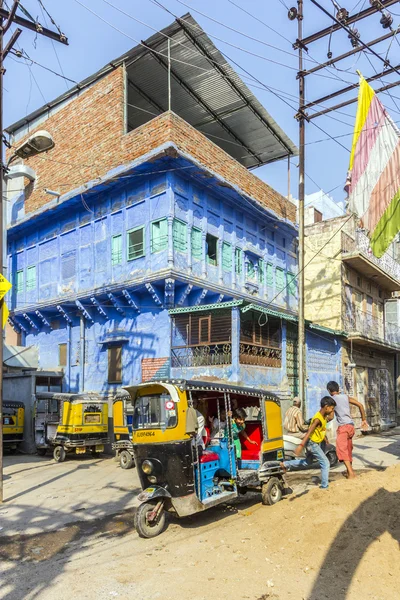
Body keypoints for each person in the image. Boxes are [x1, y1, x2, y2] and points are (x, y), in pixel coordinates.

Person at [281, 396, 337, 490]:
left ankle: (286, 464)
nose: (332, 411)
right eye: (331, 408)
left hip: (315, 443)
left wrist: (333, 408)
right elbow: (309, 432)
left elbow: (331, 418)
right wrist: (301, 446)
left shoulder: (323, 416)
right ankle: (324, 486)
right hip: (312, 444)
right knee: (325, 463)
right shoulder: (317, 419)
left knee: (308, 462)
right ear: (326, 407)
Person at [327, 380, 369, 480]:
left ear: (329, 390)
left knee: (341, 450)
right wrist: (363, 420)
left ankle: (351, 473)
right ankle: (350, 470)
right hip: (351, 426)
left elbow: (331, 416)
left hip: (343, 427)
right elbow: (360, 405)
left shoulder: (332, 400)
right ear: (338, 389)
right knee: (348, 449)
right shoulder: (345, 397)